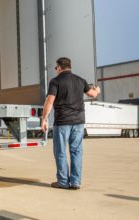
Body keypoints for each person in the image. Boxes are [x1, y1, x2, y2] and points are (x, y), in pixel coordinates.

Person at [41, 57, 100, 190]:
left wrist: (44, 119)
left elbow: (49, 101)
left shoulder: (55, 81)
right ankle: (75, 182)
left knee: (60, 152)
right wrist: (97, 90)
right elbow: (92, 94)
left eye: (56, 68)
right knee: (76, 151)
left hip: (62, 122)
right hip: (79, 122)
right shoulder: (80, 80)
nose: (56, 70)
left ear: (60, 67)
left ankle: (63, 182)